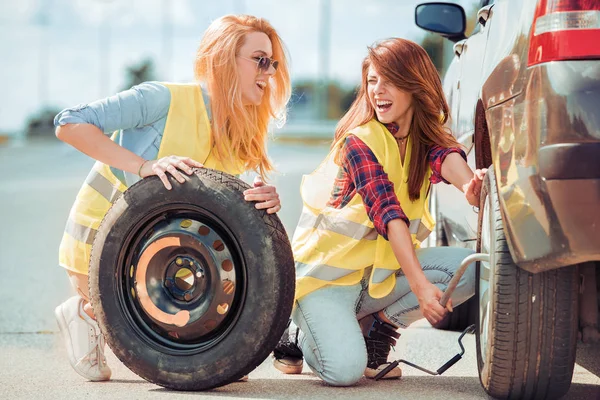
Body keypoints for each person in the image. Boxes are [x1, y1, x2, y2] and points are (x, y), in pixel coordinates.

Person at [53, 14, 291, 382]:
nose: (270, 71)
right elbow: (68, 123)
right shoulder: (161, 99)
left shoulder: (238, 128)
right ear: (224, 60)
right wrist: (143, 165)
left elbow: (218, 206)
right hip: (98, 249)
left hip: (160, 250)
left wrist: (257, 199)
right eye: (261, 60)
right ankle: (86, 311)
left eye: (273, 63)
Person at [273, 38, 484, 385]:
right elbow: (389, 214)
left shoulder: (422, 140)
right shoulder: (360, 141)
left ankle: (376, 328)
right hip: (324, 282)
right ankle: (295, 332)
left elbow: (445, 156)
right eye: (372, 80)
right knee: (344, 371)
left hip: (374, 281)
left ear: (415, 85)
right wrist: (419, 288)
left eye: (390, 80)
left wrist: (470, 189)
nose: (378, 90)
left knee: (472, 271)